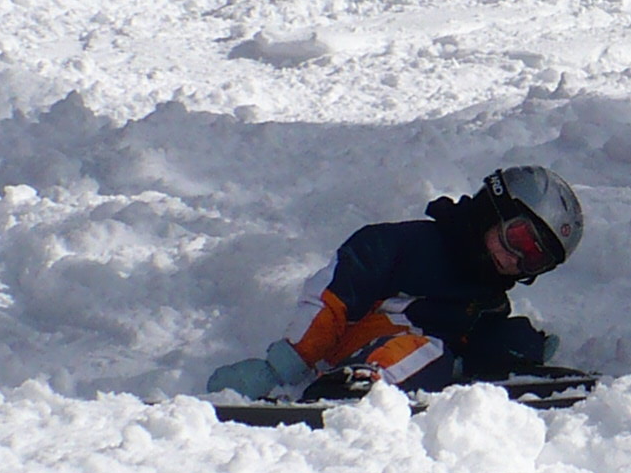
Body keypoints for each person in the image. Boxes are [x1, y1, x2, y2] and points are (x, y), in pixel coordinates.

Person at [208, 166, 584, 402]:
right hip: (353, 354)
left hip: (413, 365)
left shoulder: (486, 296)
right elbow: (331, 300)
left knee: (454, 353)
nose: (513, 259)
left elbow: (474, 343)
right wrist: (284, 367)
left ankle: (383, 382)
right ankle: (357, 384)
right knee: (432, 351)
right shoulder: (404, 246)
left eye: (533, 259)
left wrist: (521, 350)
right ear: (494, 210)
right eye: (516, 239)